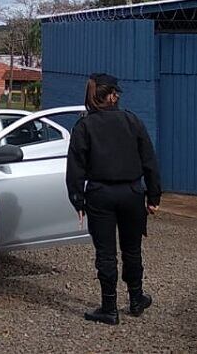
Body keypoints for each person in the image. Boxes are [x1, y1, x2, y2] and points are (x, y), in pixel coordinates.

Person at [66, 73, 162, 325]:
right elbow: (149, 161)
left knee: (106, 253)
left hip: (100, 195)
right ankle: (136, 298)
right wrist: (153, 196)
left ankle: (109, 307)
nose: (118, 96)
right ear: (111, 95)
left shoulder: (84, 126)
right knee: (132, 249)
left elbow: (75, 167)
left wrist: (77, 199)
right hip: (131, 193)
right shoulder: (132, 121)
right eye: (116, 92)